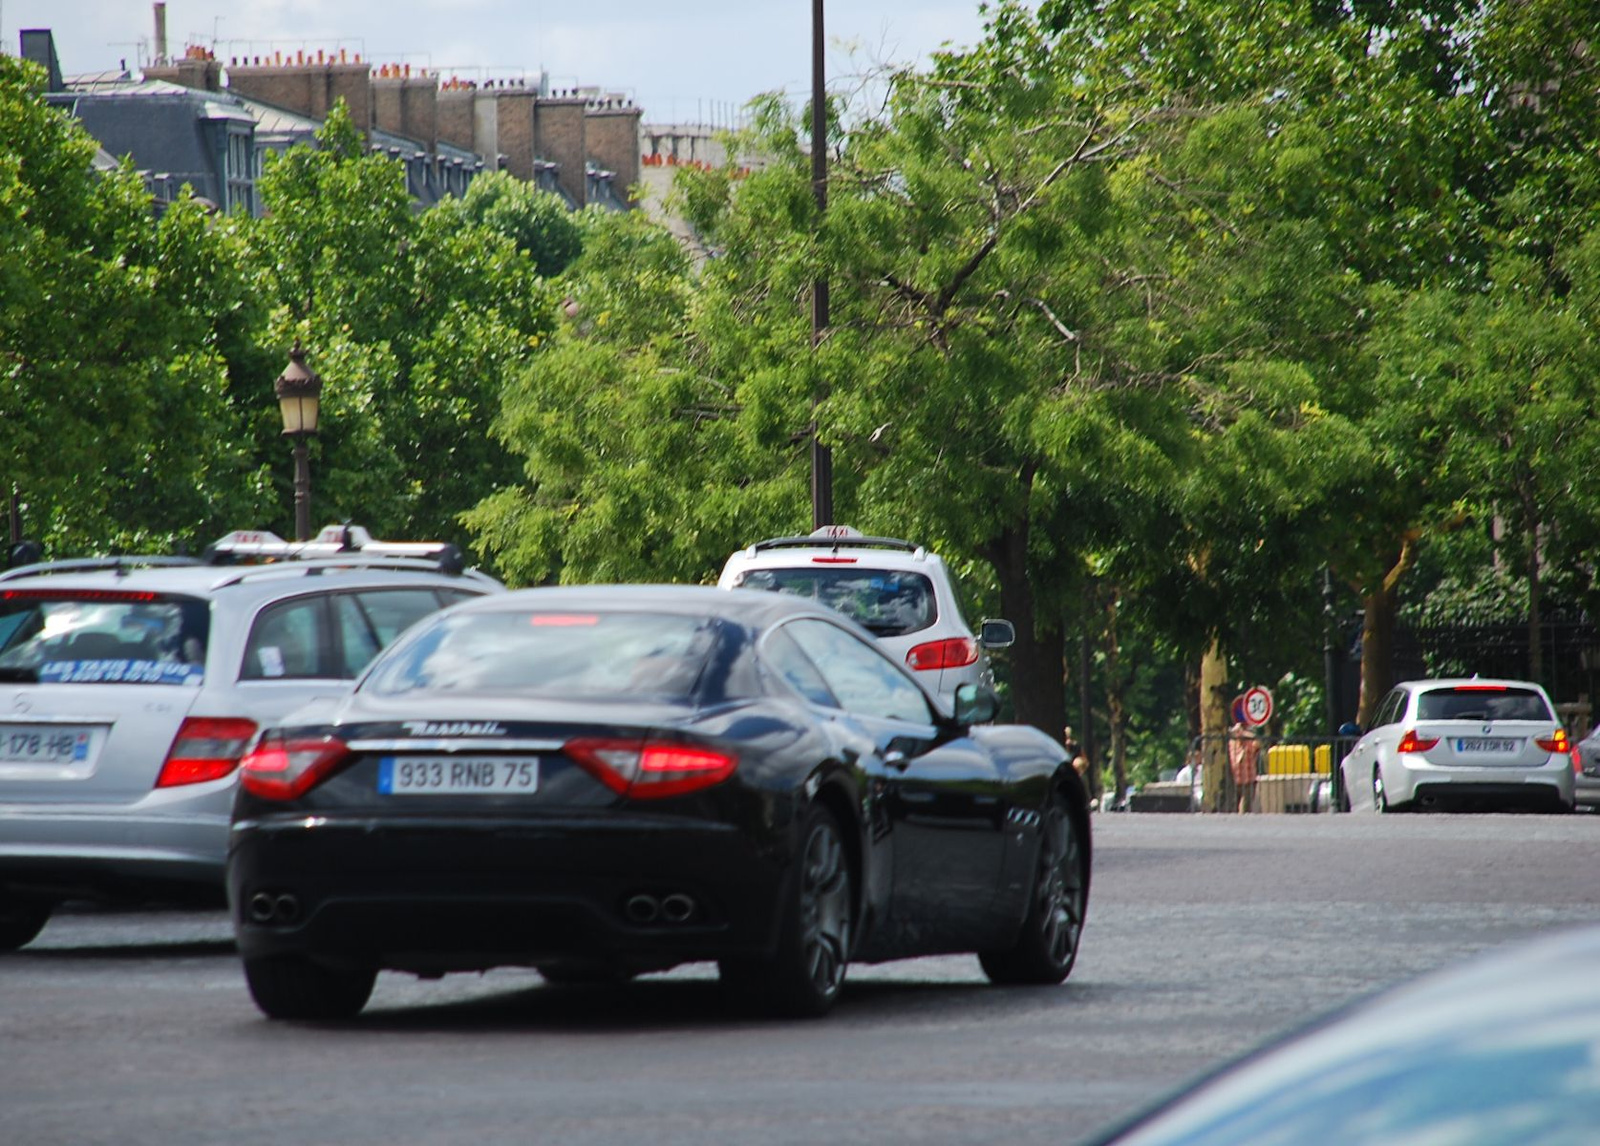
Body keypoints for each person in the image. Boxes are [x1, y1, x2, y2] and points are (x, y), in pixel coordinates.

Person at [1228, 721, 1261, 813]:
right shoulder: (1231, 743)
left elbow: (1258, 744)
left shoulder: (1250, 742)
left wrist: (1244, 734)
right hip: (1234, 781)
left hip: (1248, 781)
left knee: (1246, 810)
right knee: (1232, 809)